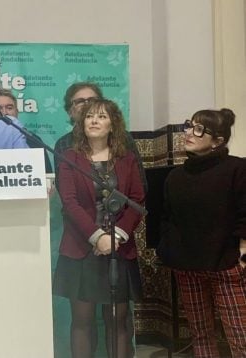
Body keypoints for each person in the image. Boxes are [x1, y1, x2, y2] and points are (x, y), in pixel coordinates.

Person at [53, 98, 145, 358]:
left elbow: (137, 199)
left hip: (120, 248)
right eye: (89, 116)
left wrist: (116, 236)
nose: (94, 121)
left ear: (113, 125)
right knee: (82, 321)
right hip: (81, 249)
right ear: (82, 123)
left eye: (102, 117)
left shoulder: (126, 159)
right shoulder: (69, 157)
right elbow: (69, 202)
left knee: (118, 320)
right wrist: (97, 237)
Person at [158, 109, 246, 357]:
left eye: (199, 129)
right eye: (189, 126)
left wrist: (242, 253)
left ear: (218, 140)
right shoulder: (175, 176)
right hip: (187, 267)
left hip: (226, 265)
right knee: (201, 335)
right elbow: (167, 217)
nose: (189, 133)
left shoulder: (237, 168)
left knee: (240, 335)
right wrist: (169, 251)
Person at [54, 82, 146, 191]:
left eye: (93, 100)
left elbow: (140, 185)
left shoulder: (124, 137)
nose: (87, 104)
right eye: (80, 101)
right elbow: (65, 191)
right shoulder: (64, 143)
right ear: (70, 112)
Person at [0, 88, 53, 173]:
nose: (5, 112)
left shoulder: (33, 139)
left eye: (9, 108)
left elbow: (47, 177)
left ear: (17, 112)